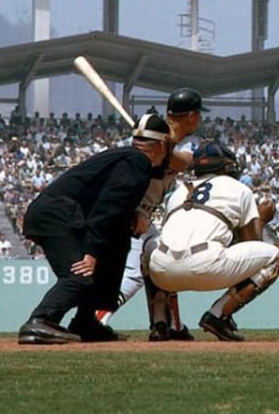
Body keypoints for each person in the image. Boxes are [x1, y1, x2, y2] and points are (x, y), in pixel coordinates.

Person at [17, 113, 170, 345]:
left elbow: (113, 208)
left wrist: (135, 213)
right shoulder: (138, 162)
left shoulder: (129, 158)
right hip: (56, 215)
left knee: (117, 245)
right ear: (161, 145)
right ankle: (40, 320)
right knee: (81, 275)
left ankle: (85, 323)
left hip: (60, 213)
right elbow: (108, 206)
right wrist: (91, 252)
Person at [144, 142, 279, 342]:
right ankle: (218, 315)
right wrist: (261, 220)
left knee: (151, 245)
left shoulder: (177, 193)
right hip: (207, 267)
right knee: (277, 256)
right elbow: (251, 242)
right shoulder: (239, 188)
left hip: (163, 273)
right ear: (227, 167)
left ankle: (161, 323)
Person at [98, 87, 206, 339]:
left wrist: (165, 146)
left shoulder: (186, 141)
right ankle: (94, 319)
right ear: (191, 115)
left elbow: (183, 162)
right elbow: (124, 170)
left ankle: (166, 325)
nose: (200, 119)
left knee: (162, 262)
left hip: (144, 214)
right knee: (133, 275)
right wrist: (148, 144)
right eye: (198, 114)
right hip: (126, 209)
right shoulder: (149, 134)